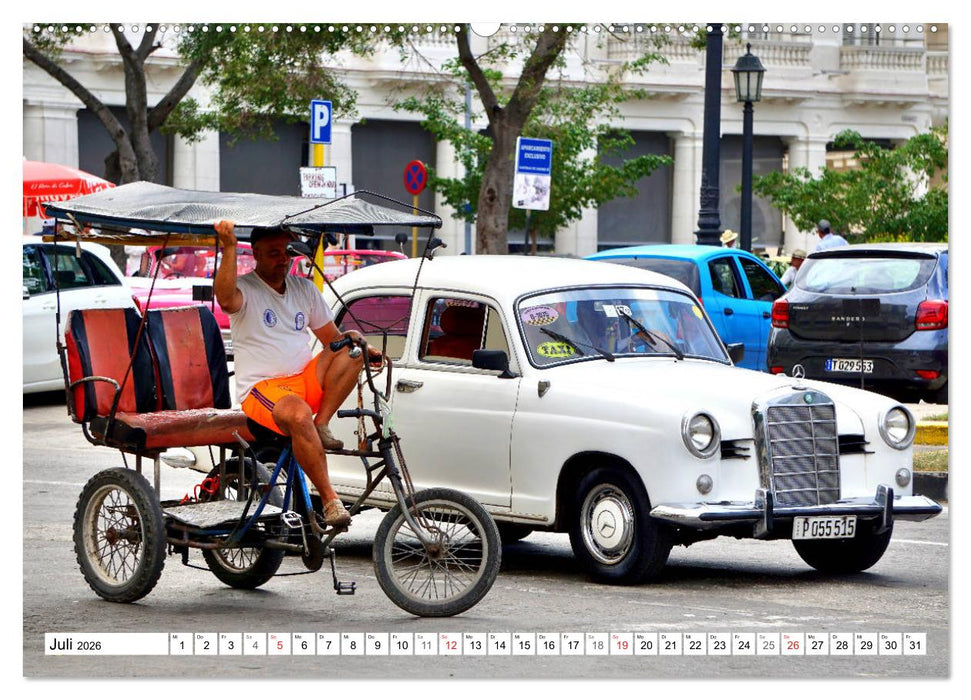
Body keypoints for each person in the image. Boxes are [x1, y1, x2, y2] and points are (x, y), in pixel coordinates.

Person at [213, 220, 381, 528]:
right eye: (273, 253)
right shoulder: (246, 289)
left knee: (351, 344)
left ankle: (322, 423)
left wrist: (364, 347)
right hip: (263, 390)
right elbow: (225, 300)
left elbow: (332, 339)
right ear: (256, 254)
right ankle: (330, 501)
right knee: (299, 414)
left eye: (286, 253)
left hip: (303, 381)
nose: (283, 259)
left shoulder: (304, 289)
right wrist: (229, 246)